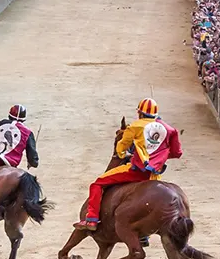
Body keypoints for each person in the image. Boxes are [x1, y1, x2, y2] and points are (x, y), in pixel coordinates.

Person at [74, 98, 182, 231]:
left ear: (140, 114)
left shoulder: (135, 126)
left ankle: (91, 219)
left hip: (136, 171)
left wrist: (123, 154)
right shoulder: (170, 129)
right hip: (154, 175)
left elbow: (121, 148)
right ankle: (144, 236)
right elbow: (177, 153)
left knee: (97, 184)